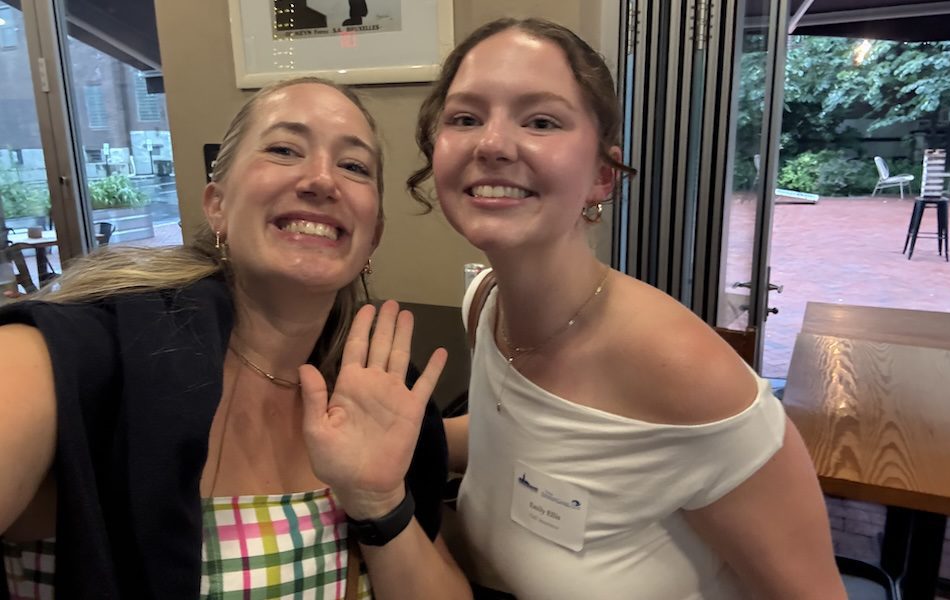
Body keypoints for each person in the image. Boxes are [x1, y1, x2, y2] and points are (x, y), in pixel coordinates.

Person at [407, 18, 846, 599]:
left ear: (602, 176)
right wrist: (404, 438)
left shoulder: (685, 373)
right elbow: (518, 436)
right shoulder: (485, 304)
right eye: (465, 118)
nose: (491, 144)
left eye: (541, 121)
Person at [0, 77, 471, 599]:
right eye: (284, 150)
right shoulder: (81, 354)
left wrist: (379, 504)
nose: (322, 180)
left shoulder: (380, 391)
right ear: (217, 204)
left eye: (354, 166)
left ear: (373, 235)